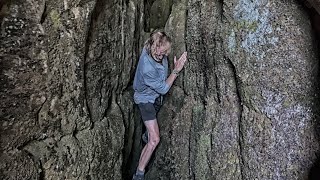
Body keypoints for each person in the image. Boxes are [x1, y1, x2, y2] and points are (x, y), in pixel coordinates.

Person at [132, 31, 187, 180]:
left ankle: (146, 135)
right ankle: (139, 174)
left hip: (154, 98)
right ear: (152, 46)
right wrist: (176, 69)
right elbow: (163, 88)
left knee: (150, 136)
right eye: (159, 52)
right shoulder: (147, 67)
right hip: (145, 100)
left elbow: (157, 36)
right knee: (155, 139)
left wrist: (159, 36)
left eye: (164, 53)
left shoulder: (150, 46)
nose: (161, 55)